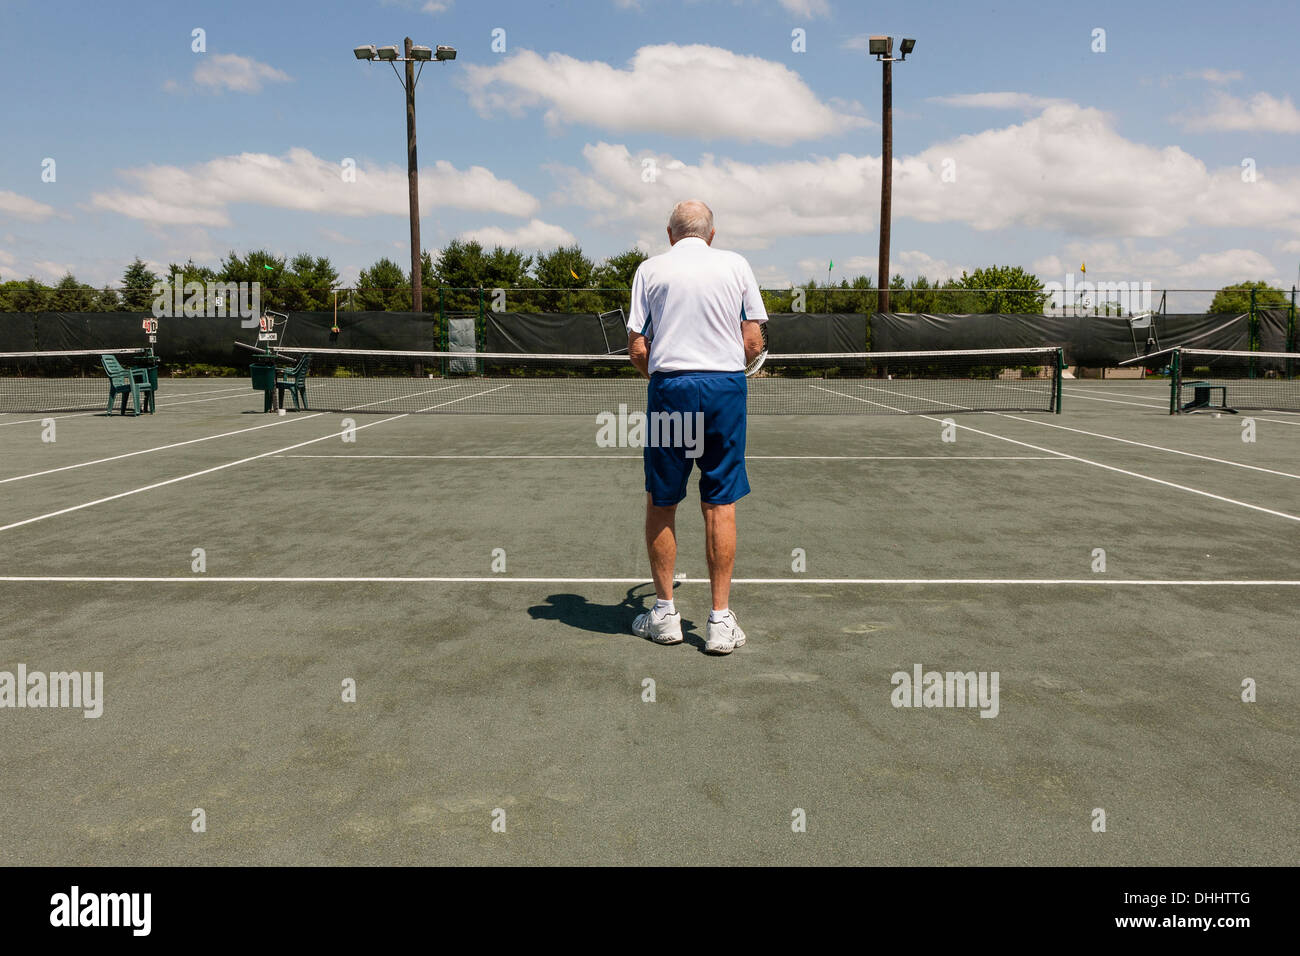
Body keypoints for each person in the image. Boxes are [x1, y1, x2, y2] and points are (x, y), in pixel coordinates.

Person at [625, 200, 767, 655]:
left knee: (661, 499)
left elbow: (637, 347)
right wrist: (725, 368)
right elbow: (751, 340)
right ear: (711, 234)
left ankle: (664, 615)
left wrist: (668, 381)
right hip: (724, 390)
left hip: (671, 390)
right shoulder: (736, 264)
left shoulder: (649, 270)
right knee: (719, 502)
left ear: (670, 234)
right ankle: (719, 621)